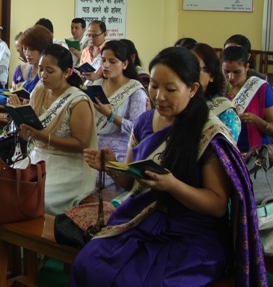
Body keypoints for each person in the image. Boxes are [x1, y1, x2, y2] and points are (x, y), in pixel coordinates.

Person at [72, 47, 266, 286]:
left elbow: (217, 205)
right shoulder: (144, 123)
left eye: (170, 89)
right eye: (153, 86)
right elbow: (131, 182)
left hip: (193, 235)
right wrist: (111, 166)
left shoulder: (208, 132)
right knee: (88, 264)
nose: (159, 96)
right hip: (142, 219)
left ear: (193, 89)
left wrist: (173, 185)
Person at [10, 44, 96, 214]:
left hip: (66, 167)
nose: (43, 75)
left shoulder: (78, 100)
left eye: (50, 70)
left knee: (37, 199)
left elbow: (81, 144)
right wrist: (18, 116)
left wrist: (44, 138)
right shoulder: (39, 91)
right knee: (6, 188)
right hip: (37, 159)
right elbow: (29, 136)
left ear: (67, 72)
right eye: (41, 69)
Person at [90, 41, 149, 172]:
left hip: (119, 155)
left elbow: (135, 129)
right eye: (103, 60)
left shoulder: (135, 91)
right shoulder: (97, 84)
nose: (105, 65)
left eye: (112, 61)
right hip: (92, 150)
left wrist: (110, 116)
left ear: (125, 64)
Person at [222, 46, 273, 153]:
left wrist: (257, 121)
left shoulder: (261, 88)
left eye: (236, 72)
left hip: (254, 155)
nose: (230, 77)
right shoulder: (219, 89)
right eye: (226, 71)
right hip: (226, 152)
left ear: (247, 68)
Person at [191, 43, 240, 142]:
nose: (189, 73)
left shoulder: (225, 112)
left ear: (212, 75)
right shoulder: (178, 105)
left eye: (196, 68)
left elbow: (225, 152)